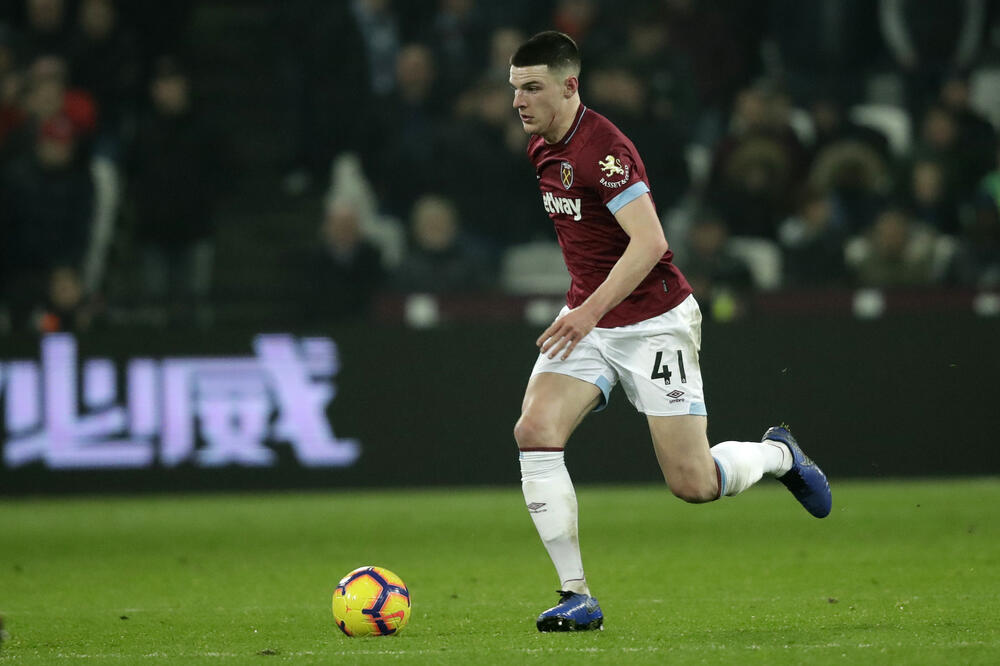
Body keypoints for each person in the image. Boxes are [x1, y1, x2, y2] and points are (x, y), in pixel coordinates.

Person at [508, 31, 831, 633]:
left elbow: (650, 242)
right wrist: (585, 311)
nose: (519, 101)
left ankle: (779, 455)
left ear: (569, 86)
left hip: (653, 323)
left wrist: (587, 311)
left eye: (532, 87)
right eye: (515, 88)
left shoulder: (605, 152)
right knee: (535, 430)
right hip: (591, 319)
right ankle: (576, 594)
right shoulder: (541, 145)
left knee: (694, 483)